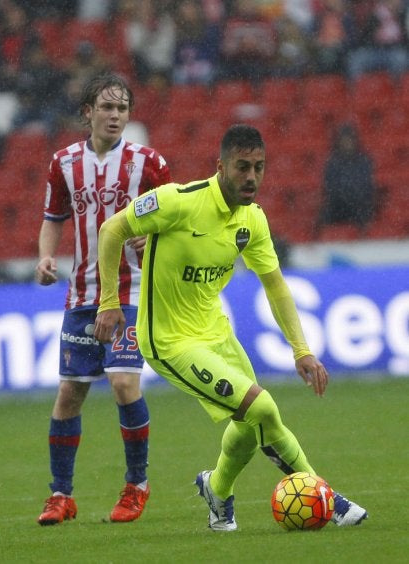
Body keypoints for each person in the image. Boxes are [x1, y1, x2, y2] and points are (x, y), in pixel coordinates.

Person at [94, 123, 368, 531]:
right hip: (170, 341)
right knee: (262, 407)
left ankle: (217, 490)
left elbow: (275, 285)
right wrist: (109, 302)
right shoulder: (177, 201)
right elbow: (111, 229)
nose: (252, 177)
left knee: (250, 422)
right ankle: (329, 499)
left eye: (259, 167)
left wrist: (301, 349)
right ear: (221, 166)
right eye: (242, 167)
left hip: (216, 333)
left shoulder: (252, 220)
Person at [35, 72, 171, 526]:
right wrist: (45, 256)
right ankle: (61, 495)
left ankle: (137, 485)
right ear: (88, 112)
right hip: (82, 294)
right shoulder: (63, 163)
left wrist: (154, 238)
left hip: (131, 290)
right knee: (69, 393)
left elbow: (174, 220)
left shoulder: (149, 163)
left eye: (122, 108)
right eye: (107, 107)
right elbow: (53, 217)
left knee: (123, 384)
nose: (115, 115)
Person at [315, 123, 376, 235]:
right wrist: (341, 195)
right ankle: (322, 240)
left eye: (349, 140)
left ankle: (364, 240)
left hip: (357, 203)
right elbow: (329, 185)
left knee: (364, 213)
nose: (347, 143)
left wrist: (353, 194)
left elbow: (365, 184)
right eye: (344, 140)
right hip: (337, 203)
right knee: (323, 215)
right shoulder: (333, 162)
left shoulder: (363, 161)